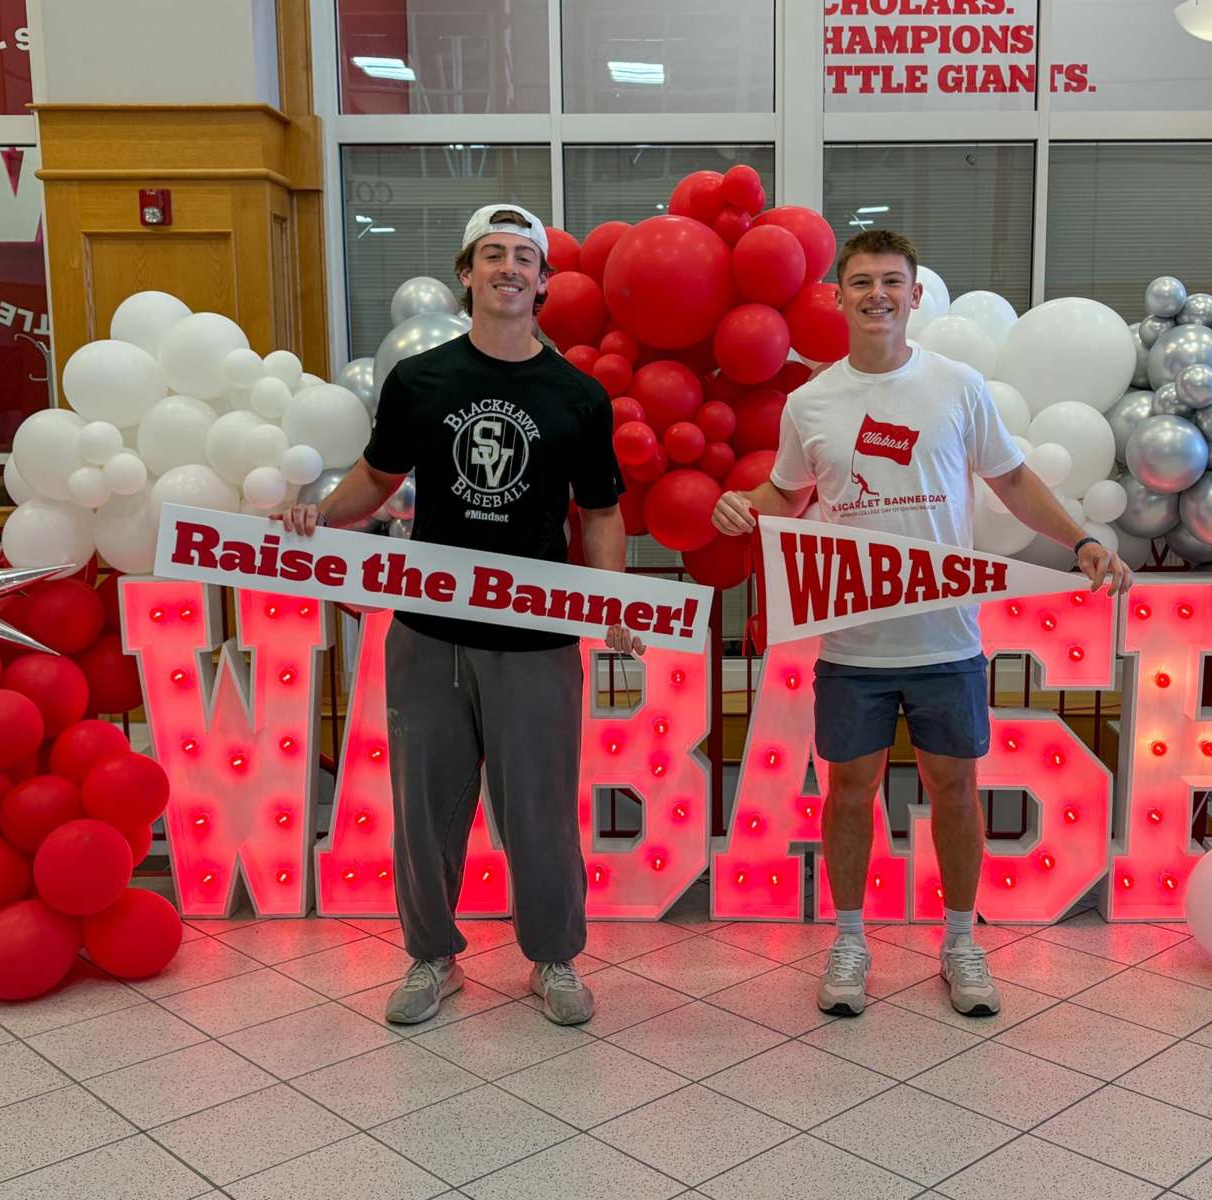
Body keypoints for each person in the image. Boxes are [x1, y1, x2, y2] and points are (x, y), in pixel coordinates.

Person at [712, 229, 1132, 1018]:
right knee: (848, 793)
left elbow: (1012, 480)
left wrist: (1078, 539)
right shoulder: (811, 402)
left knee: (955, 790)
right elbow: (786, 495)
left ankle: (961, 942)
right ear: (840, 297)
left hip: (947, 638)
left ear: (914, 295)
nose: (877, 294)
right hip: (852, 643)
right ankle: (849, 941)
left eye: (891, 281)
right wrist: (740, 506)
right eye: (861, 281)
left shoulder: (957, 385)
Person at [275, 203, 640, 1027]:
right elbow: (377, 479)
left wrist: (613, 599)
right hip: (429, 630)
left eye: (524, 258)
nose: (509, 269)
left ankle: (553, 958)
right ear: (467, 274)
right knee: (425, 806)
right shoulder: (421, 381)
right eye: (493, 255)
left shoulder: (578, 395)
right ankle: (431, 958)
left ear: (542, 283)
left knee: (539, 809)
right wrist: (318, 516)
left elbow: (602, 511)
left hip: (537, 638)